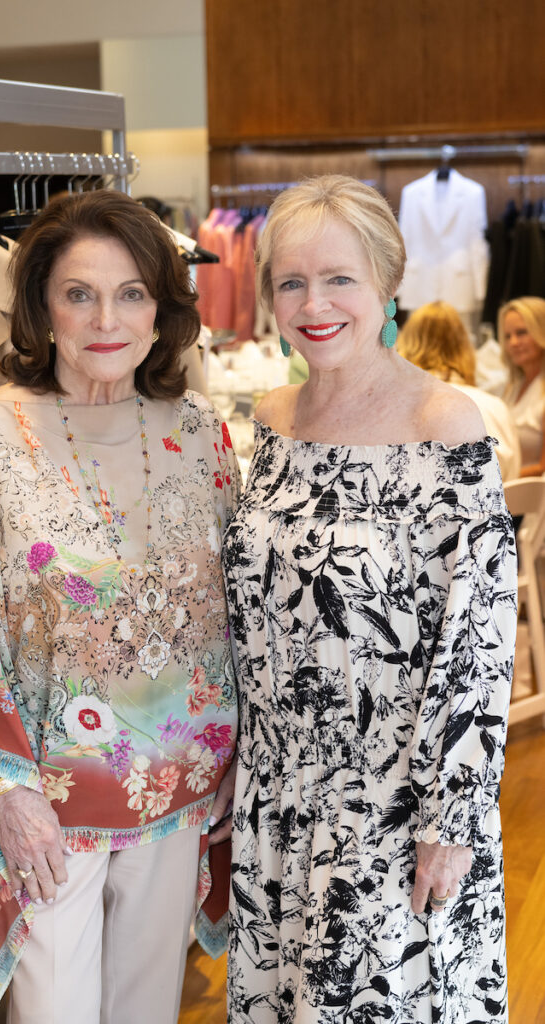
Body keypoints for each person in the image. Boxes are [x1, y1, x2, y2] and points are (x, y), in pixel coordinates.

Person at [0, 190, 240, 1024]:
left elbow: (229, 610)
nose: (106, 320)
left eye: (131, 294)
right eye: (79, 294)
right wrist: (5, 790)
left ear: (160, 310)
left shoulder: (200, 430)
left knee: (147, 1009)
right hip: (42, 797)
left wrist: (236, 753)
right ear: (41, 307)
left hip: (179, 784)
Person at [222, 175, 517, 1023]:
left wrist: (449, 822)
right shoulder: (271, 421)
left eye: (338, 278)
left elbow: (477, 644)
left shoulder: (442, 422)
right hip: (276, 797)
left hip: (394, 805)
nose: (313, 304)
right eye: (291, 281)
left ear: (387, 283)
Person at [398, 300, 521, 480]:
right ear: (465, 346)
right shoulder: (495, 406)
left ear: (406, 345)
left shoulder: (398, 408)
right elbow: (513, 479)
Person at [497, 296, 545, 477]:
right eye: (507, 336)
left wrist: (498, 479)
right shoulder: (510, 387)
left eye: (522, 332)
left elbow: (542, 467)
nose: (513, 343)